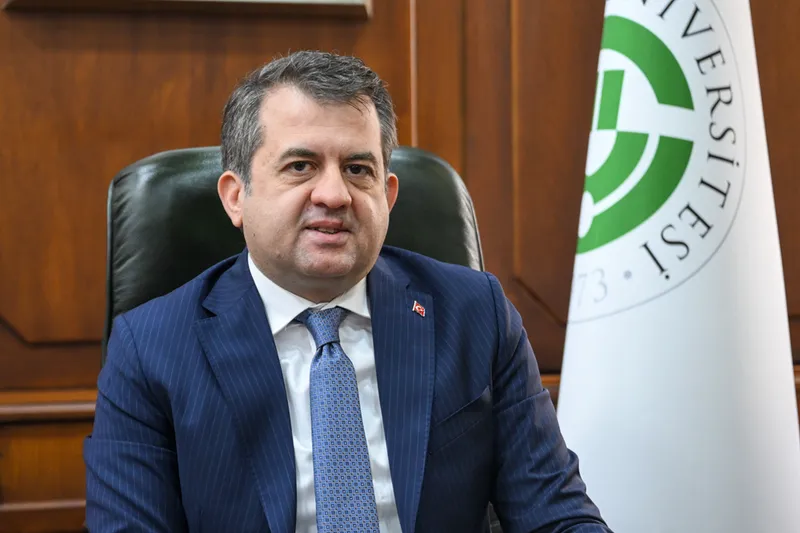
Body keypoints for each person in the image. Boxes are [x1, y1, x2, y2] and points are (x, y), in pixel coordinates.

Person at [83, 50, 611, 533]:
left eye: (358, 170)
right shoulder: (150, 349)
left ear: (388, 194)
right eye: (301, 166)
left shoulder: (476, 313)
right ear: (236, 196)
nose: (335, 194)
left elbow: (557, 516)